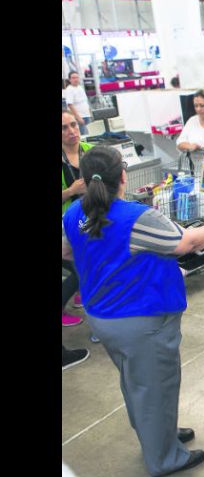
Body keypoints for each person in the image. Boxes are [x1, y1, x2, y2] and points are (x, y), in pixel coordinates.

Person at [62, 146, 204, 476]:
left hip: (104, 317)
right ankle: (164, 458)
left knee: (136, 382)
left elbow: (68, 249)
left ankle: (158, 435)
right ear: (123, 176)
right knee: (156, 386)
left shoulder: (74, 214)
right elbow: (186, 243)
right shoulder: (137, 217)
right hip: (141, 320)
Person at [62, 109, 94, 328]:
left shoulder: (91, 152)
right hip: (66, 224)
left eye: (73, 124)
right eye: (64, 128)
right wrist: (70, 191)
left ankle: (80, 293)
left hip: (91, 217)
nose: (72, 131)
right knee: (79, 267)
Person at [64, 71, 92, 135]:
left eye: (77, 77)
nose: (75, 79)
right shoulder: (69, 89)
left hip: (86, 115)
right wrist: (78, 117)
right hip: (79, 117)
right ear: (69, 79)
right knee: (82, 136)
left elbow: (85, 101)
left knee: (87, 135)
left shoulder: (80, 87)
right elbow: (70, 105)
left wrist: (90, 113)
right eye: (73, 78)